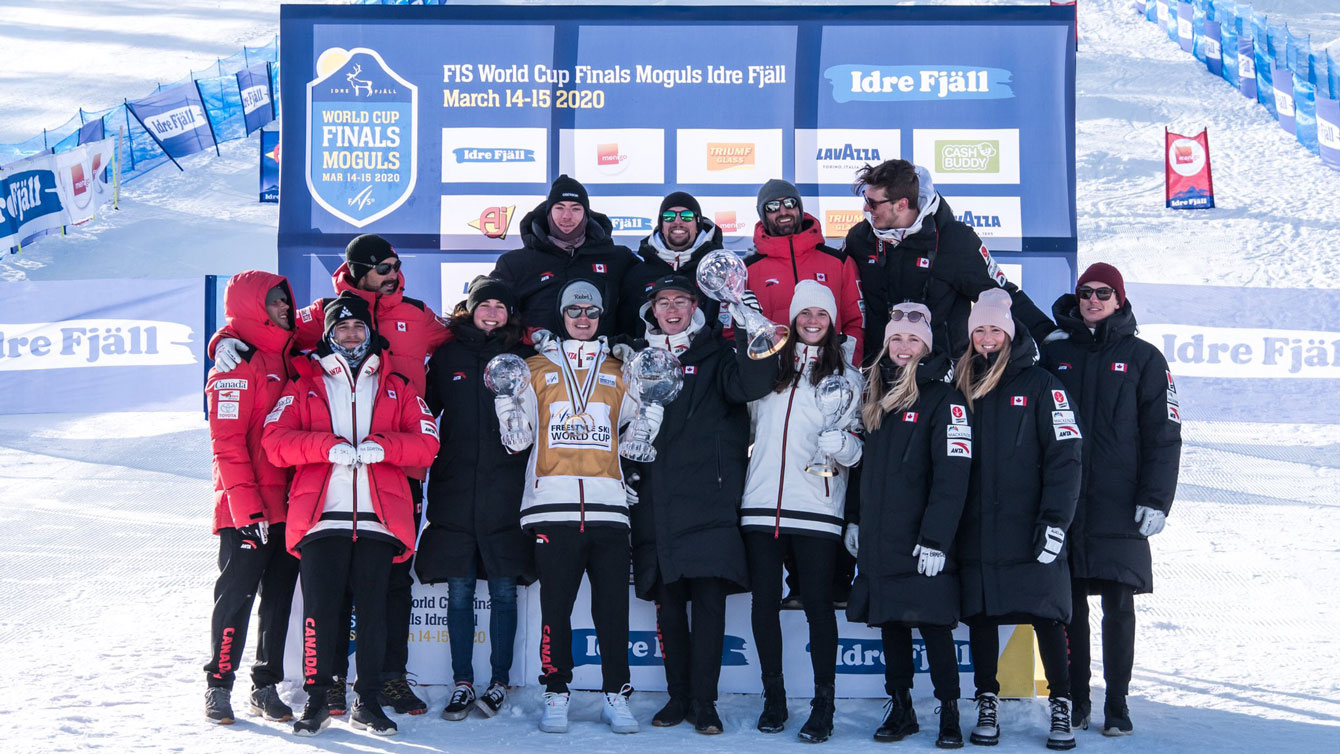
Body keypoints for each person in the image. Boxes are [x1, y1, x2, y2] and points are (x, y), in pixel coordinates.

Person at [214, 233, 448, 716]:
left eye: (396, 264)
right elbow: (264, 330)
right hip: (317, 486)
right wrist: (225, 339)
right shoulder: (320, 313)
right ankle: (321, 683)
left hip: (395, 475)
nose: (394, 272)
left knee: (386, 584)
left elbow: (475, 332)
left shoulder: (418, 314)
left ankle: (387, 679)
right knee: (316, 586)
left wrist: (531, 335)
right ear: (360, 269)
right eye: (383, 266)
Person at [261, 293, 440, 736]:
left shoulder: (396, 384)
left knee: (375, 613)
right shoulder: (304, 383)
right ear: (328, 334)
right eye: (341, 328)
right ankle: (318, 700)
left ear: (369, 332)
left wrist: (386, 446)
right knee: (320, 613)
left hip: (380, 519)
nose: (351, 334)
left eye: (358, 327)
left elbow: (428, 441)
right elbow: (275, 440)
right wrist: (325, 446)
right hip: (322, 518)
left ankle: (368, 701)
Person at [627, 275, 778, 734]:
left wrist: (750, 328)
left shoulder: (718, 351)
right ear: (652, 310)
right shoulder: (636, 358)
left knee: (709, 607)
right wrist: (626, 471)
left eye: (681, 300)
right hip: (658, 501)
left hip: (711, 499)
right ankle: (678, 698)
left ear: (697, 306)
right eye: (663, 301)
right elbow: (624, 424)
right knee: (670, 607)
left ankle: (705, 703)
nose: (672, 309)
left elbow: (752, 386)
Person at [497, 280, 649, 735]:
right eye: (574, 311)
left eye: (592, 311)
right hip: (553, 507)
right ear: (562, 316)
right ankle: (556, 690)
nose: (583, 318)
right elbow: (518, 441)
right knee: (556, 608)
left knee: (611, 611)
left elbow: (637, 434)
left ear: (602, 317)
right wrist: (505, 402)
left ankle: (616, 695)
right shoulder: (533, 368)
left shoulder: (621, 370)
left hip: (608, 508)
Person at [1040, 263, 1182, 737]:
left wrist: (1156, 499)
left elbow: (1165, 434)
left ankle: (1117, 705)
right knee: (1071, 604)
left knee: (1119, 602)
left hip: (1121, 502)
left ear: (1119, 300)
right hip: (1069, 501)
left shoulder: (1145, 357)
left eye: (1104, 293)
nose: (1094, 299)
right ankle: (1078, 700)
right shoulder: (1055, 354)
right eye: (1086, 292)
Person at [953, 289, 1081, 751]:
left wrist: (1055, 521)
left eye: (995, 330)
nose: (987, 339)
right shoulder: (959, 381)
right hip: (977, 525)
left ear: (1010, 333)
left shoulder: (1043, 384)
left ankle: (1061, 702)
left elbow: (1067, 457)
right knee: (983, 613)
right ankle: (987, 698)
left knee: (1046, 613)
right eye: (979, 330)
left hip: (1031, 524)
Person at [740, 280, 864, 742]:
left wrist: (846, 447)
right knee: (764, 604)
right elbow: (744, 426)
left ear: (832, 323)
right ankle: (774, 699)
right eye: (804, 314)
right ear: (791, 320)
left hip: (817, 508)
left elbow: (860, 448)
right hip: (761, 506)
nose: (812, 322)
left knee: (817, 606)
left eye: (822, 315)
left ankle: (823, 705)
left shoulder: (849, 378)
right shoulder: (769, 367)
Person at [845, 303, 971, 748]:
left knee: (934, 626)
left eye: (912, 340)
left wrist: (936, 539)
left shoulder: (945, 398)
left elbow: (953, 477)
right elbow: (862, 468)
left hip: (923, 542)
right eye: (896, 339)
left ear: (927, 346)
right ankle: (901, 709)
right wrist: (855, 519)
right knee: (892, 626)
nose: (903, 347)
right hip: (881, 537)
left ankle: (950, 712)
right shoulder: (873, 393)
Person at [417, 276, 535, 721]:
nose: (492, 312)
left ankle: (499, 681)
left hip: (507, 489)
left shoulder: (525, 358)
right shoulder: (448, 355)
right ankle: (463, 682)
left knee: (505, 592)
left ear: (511, 315)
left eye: (500, 307)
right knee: (460, 591)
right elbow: (424, 410)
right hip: (455, 489)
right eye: (484, 305)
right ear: (470, 309)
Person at [202, 271, 302, 726]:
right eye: (277, 301)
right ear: (253, 307)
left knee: (278, 599)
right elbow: (227, 445)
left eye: (287, 300)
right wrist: (248, 511)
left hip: (289, 507)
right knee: (237, 597)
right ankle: (218, 685)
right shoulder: (235, 364)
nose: (287, 307)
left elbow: (331, 318)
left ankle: (265, 685)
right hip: (246, 510)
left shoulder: (287, 353)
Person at [843, 159, 1052, 366]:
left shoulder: (955, 240)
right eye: (865, 199)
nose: (866, 209)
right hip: (882, 373)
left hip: (942, 377)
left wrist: (1049, 336)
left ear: (902, 204)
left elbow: (1001, 295)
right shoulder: (860, 239)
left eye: (873, 202)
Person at [491, 174, 638, 337]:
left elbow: (651, 287)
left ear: (586, 214)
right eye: (559, 208)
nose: (566, 216)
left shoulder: (618, 258)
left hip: (602, 358)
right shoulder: (516, 263)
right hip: (536, 358)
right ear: (548, 213)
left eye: (575, 208)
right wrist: (479, 288)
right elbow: (488, 298)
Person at [745, 179, 866, 362]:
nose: (783, 211)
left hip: (828, 371)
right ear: (763, 215)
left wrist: (845, 365)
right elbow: (734, 331)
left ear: (799, 208)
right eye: (772, 207)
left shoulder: (839, 262)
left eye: (789, 203)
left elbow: (857, 323)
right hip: (771, 376)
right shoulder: (748, 270)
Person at [618, 191, 727, 337]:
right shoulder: (637, 275)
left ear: (697, 224)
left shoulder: (718, 271)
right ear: (661, 225)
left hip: (707, 358)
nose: (678, 222)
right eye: (669, 216)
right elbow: (625, 329)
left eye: (686, 216)